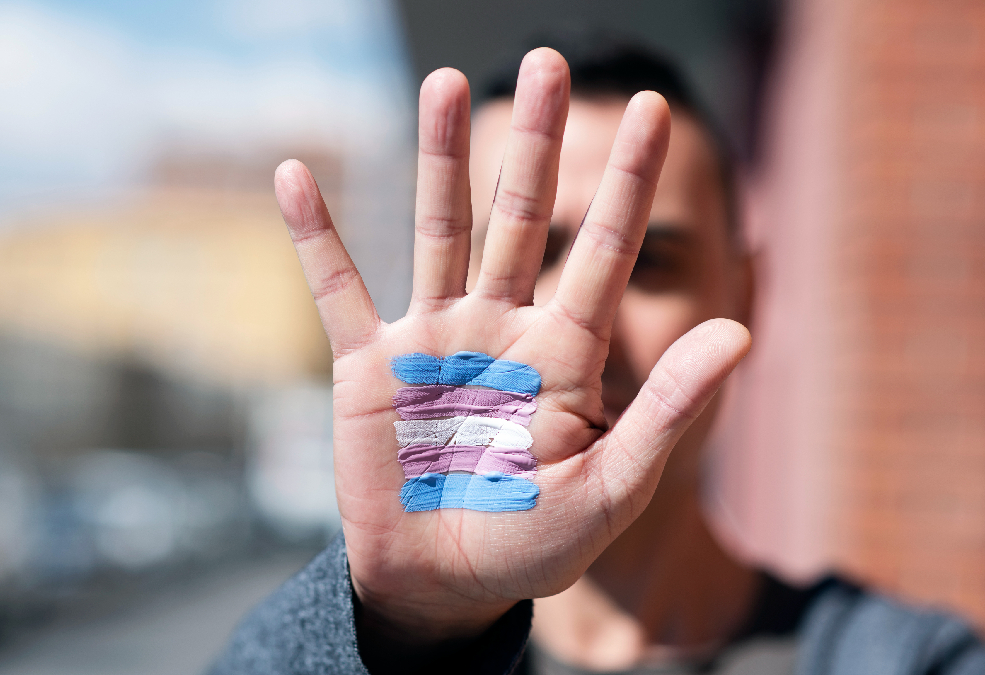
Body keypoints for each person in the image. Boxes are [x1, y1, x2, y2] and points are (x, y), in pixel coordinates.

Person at [208, 43, 985, 675]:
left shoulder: (901, 658)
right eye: (523, 259)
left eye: (649, 264)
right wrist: (417, 622)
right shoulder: (346, 644)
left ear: (745, 291)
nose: (583, 328)